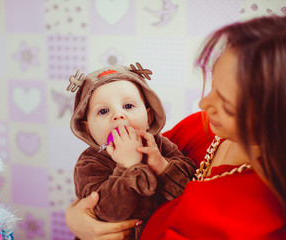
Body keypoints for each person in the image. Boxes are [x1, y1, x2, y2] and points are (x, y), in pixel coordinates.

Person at [65, 14, 286, 239]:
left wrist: (154, 166)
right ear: (86, 126)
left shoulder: (265, 203)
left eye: (226, 102)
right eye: (212, 88)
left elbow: (182, 186)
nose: (203, 105)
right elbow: (92, 196)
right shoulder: (199, 127)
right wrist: (76, 218)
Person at [66, 64, 196, 239]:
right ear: (87, 129)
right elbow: (109, 214)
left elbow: (190, 190)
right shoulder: (89, 163)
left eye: (128, 106)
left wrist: (162, 166)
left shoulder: (160, 146)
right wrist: (128, 166)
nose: (118, 115)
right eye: (103, 111)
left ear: (149, 117)